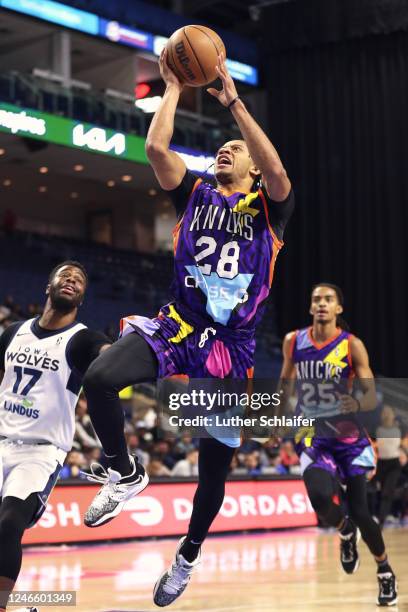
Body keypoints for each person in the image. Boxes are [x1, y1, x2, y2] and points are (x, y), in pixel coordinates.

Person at [82, 49, 294, 606]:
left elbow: (277, 175)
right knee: (101, 378)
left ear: (249, 166)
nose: (225, 149)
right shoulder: (193, 192)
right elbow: (155, 148)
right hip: (178, 324)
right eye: (222, 146)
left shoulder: (269, 210)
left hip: (231, 350)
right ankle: (124, 473)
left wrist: (234, 104)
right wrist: (173, 86)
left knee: (213, 471)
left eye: (235, 150)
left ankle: (188, 554)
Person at [0, 261, 112, 612]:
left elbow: (110, 358)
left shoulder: (83, 339)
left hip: (40, 452)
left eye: (79, 279)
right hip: (1, 438)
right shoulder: (13, 331)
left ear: (82, 296)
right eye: (65, 275)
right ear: (48, 286)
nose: (72, 280)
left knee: (8, 524)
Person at [279, 283, 397, 606]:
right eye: (316, 299)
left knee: (361, 510)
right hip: (312, 434)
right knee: (318, 498)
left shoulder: (351, 346)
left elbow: (371, 394)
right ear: (310, 307)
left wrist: (357, 405)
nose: (321, 304)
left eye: (328, 300)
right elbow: (285, 384)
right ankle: (345, 531)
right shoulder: (294, 341)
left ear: (338, 309)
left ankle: (385, 570)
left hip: (348, 436)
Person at [375, 405, 402, 526]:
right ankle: (383, 515)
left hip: (393, 463)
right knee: (382, 492)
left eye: (388, 413)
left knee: (387, 492)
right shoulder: (378, 430)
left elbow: (396, 446)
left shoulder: (397, 430)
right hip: (382, 463)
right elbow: (380, 446)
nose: (386, 415)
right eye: (384, 413)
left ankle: (382, 520)